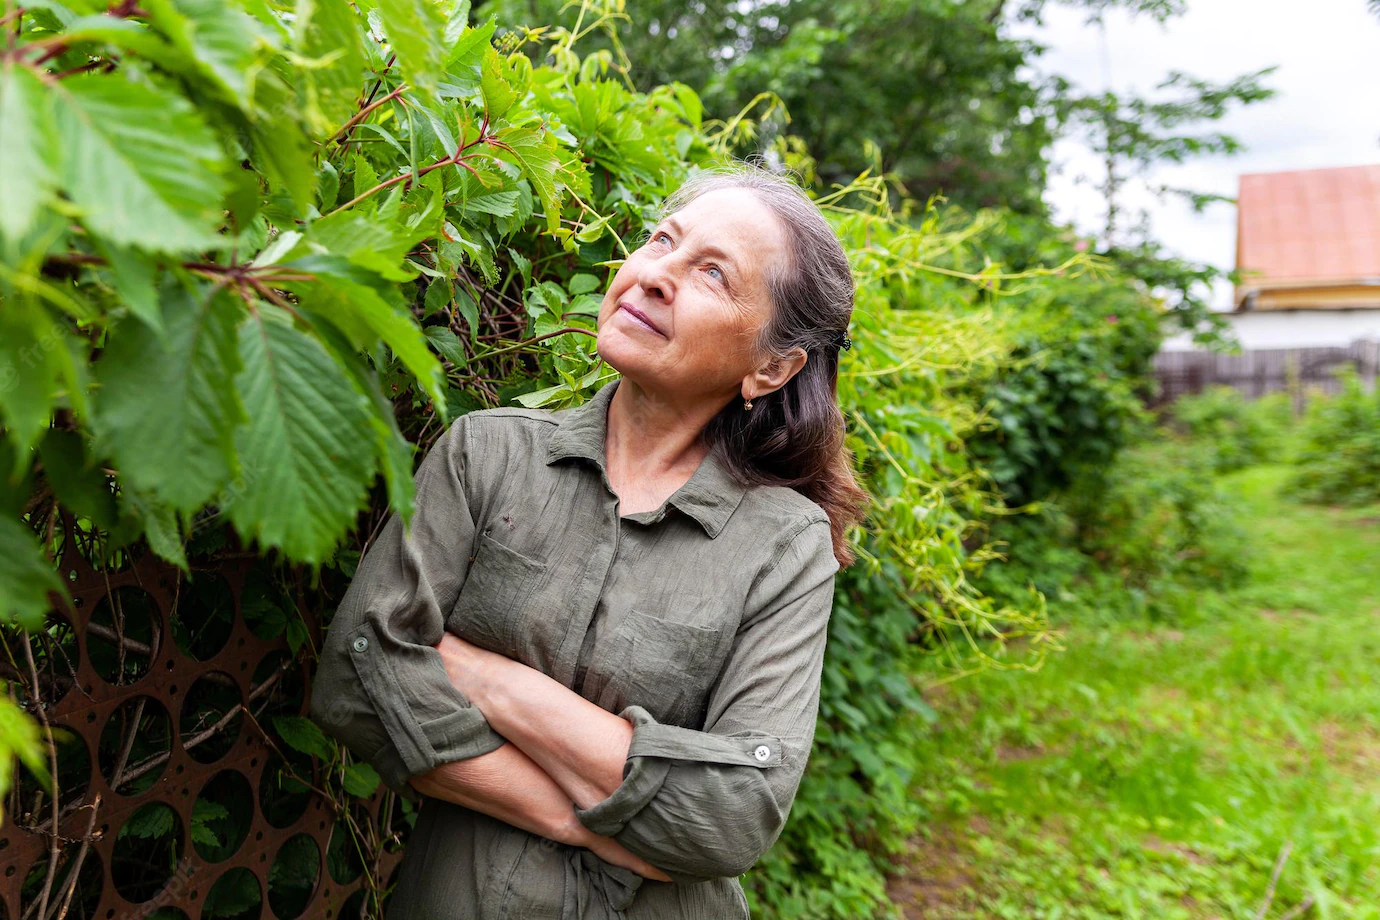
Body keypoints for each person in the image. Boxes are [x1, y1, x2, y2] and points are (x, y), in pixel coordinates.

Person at [309, 159, 869, 919]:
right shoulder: (486, 454)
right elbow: (356, 678)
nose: (656, 274)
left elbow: (737, 811)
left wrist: (496, 681)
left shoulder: (785, 545)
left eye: (711, 274)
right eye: (660, 240)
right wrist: (580, 817)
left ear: (771, 368)